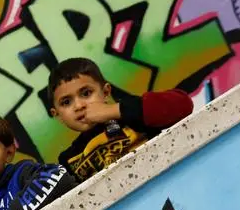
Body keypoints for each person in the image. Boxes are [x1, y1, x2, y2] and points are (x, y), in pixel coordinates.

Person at [49, 58, 193, 182]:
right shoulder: (68, 159)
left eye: (86, 93)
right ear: (57, 115)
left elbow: (184, 104)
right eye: (66, 102)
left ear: (105, 92)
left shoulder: (132, 114)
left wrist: (114, 110)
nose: (79, 105)